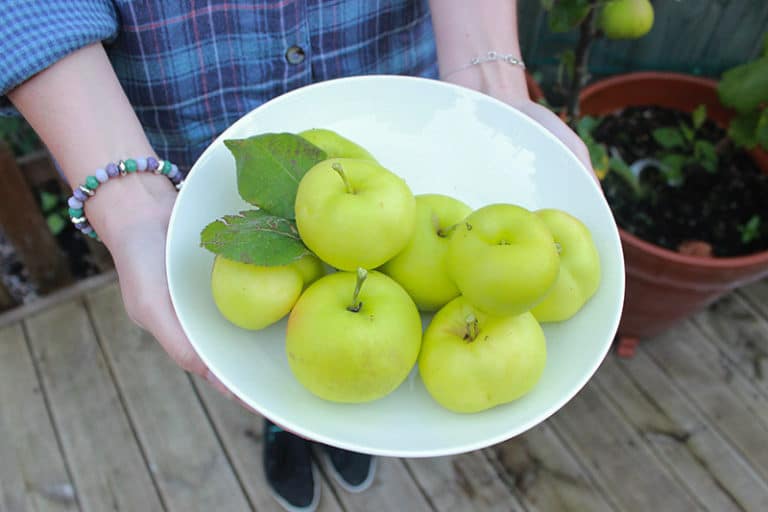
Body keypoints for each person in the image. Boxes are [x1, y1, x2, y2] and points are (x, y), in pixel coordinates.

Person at [1, 1, 590, 511]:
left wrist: (491, 84)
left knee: (341, 341)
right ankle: (285, 424)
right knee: (275, 347)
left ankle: (333, 426)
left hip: (398, 107)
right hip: (191, 134)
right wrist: (131, 202)